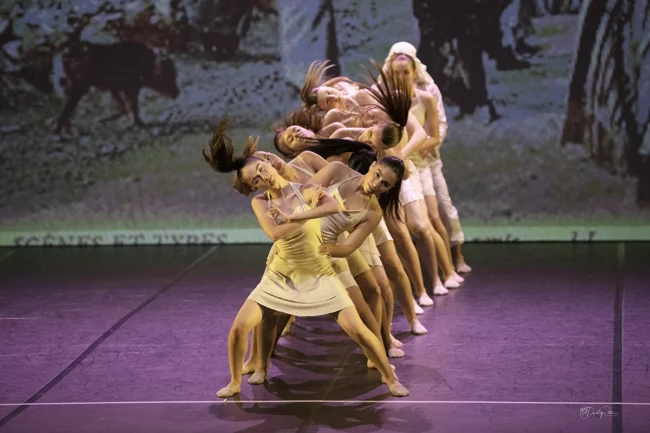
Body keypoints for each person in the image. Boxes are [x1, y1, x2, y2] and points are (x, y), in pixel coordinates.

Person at [203, 118, 409, 398]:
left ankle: (383, 359)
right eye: (257, 176)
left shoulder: (368, 208)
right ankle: (257, 363)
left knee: (366, 301)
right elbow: (303, 201)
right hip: (296, 252)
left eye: (385, 185)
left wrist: (314, 233)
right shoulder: (272, 196)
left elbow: (321, 207)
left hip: (329, 250)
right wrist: (293, 214)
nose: (378, 184)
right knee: (270, 313)